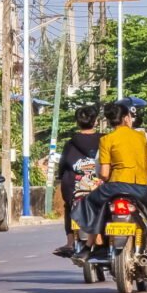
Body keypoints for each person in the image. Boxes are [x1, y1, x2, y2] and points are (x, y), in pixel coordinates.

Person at [73, 101, 147, 270]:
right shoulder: (141, 137)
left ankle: (87, 247)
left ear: (109, 121)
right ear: (126, 118)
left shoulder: (106, 140)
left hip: (113, 188)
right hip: (140, 189)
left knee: (93, 206)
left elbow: (104, 174)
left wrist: (106, 179)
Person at [52, 105, 101, 258]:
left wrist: (61, 176)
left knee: (69, 207)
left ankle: (70, 241)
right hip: (99, 186)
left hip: (75, 188)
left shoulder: (70, 143)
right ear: (96, 121)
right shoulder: (105, 140)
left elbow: (63, 166)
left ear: (77, 122)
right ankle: (101, 237)